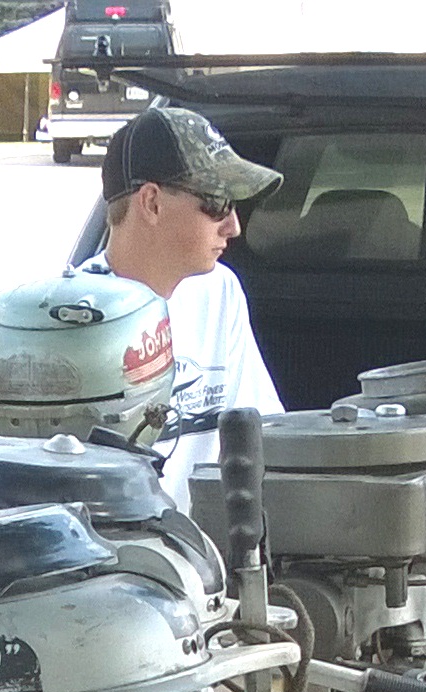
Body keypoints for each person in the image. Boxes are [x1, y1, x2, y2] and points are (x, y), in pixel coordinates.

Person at [80, 106, 282, 504]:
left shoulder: (219, 289)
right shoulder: (69, 319)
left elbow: (261, 431)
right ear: (152, 203)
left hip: (209, 543)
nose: (234, 226)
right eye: (217, 203)